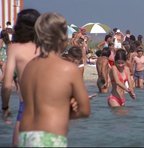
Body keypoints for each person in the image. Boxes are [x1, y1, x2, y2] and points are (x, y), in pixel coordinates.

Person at [18, 12, 90, 147]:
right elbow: (85, 110)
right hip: (49, 137)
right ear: (63, 38)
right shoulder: (68, 68)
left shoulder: (29, 67)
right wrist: (65, 109)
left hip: (24, 136)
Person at [1, 9, 40, 146]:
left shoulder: (15, 49)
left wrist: (5, 107)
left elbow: (6, 85)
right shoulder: (47, 48)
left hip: (26, 111)